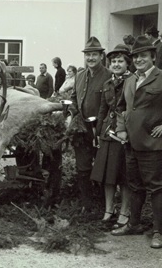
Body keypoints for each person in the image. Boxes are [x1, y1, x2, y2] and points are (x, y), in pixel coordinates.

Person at [111, 35, 162, 249]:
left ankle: (158, 231)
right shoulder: (129, 80)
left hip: (154, 145)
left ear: (153, 57)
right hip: (131, 144)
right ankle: (134, 224)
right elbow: (121, 107)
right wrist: (121, 129)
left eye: (143, 56)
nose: (139, 60)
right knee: (135, 186)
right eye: (136, 57)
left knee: (157, 187)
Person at [90, 44, 132, 227]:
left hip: (125, 133)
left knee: (123, 176)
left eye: (120, 61)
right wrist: (98, 133)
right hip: (108, 133)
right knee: (107, 176)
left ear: (127, 63)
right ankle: (109, 210)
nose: (116, 64)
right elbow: (102, 110)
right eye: (113, 61)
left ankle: (125, 212)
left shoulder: (133, 81)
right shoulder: (107, 84)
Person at [69, 36, 112, 211]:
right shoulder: (79, 75)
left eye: (94, 54)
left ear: (101, 56)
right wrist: (73, 113)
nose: (91, 58)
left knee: (103, 167)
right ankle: (86, 203)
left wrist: (105, 126)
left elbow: (114, 104)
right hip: (82, 129)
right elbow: (73, 98)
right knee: (82, 167)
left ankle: (103, 205)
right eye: (88, 55)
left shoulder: (109, 76)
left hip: (102, 130)